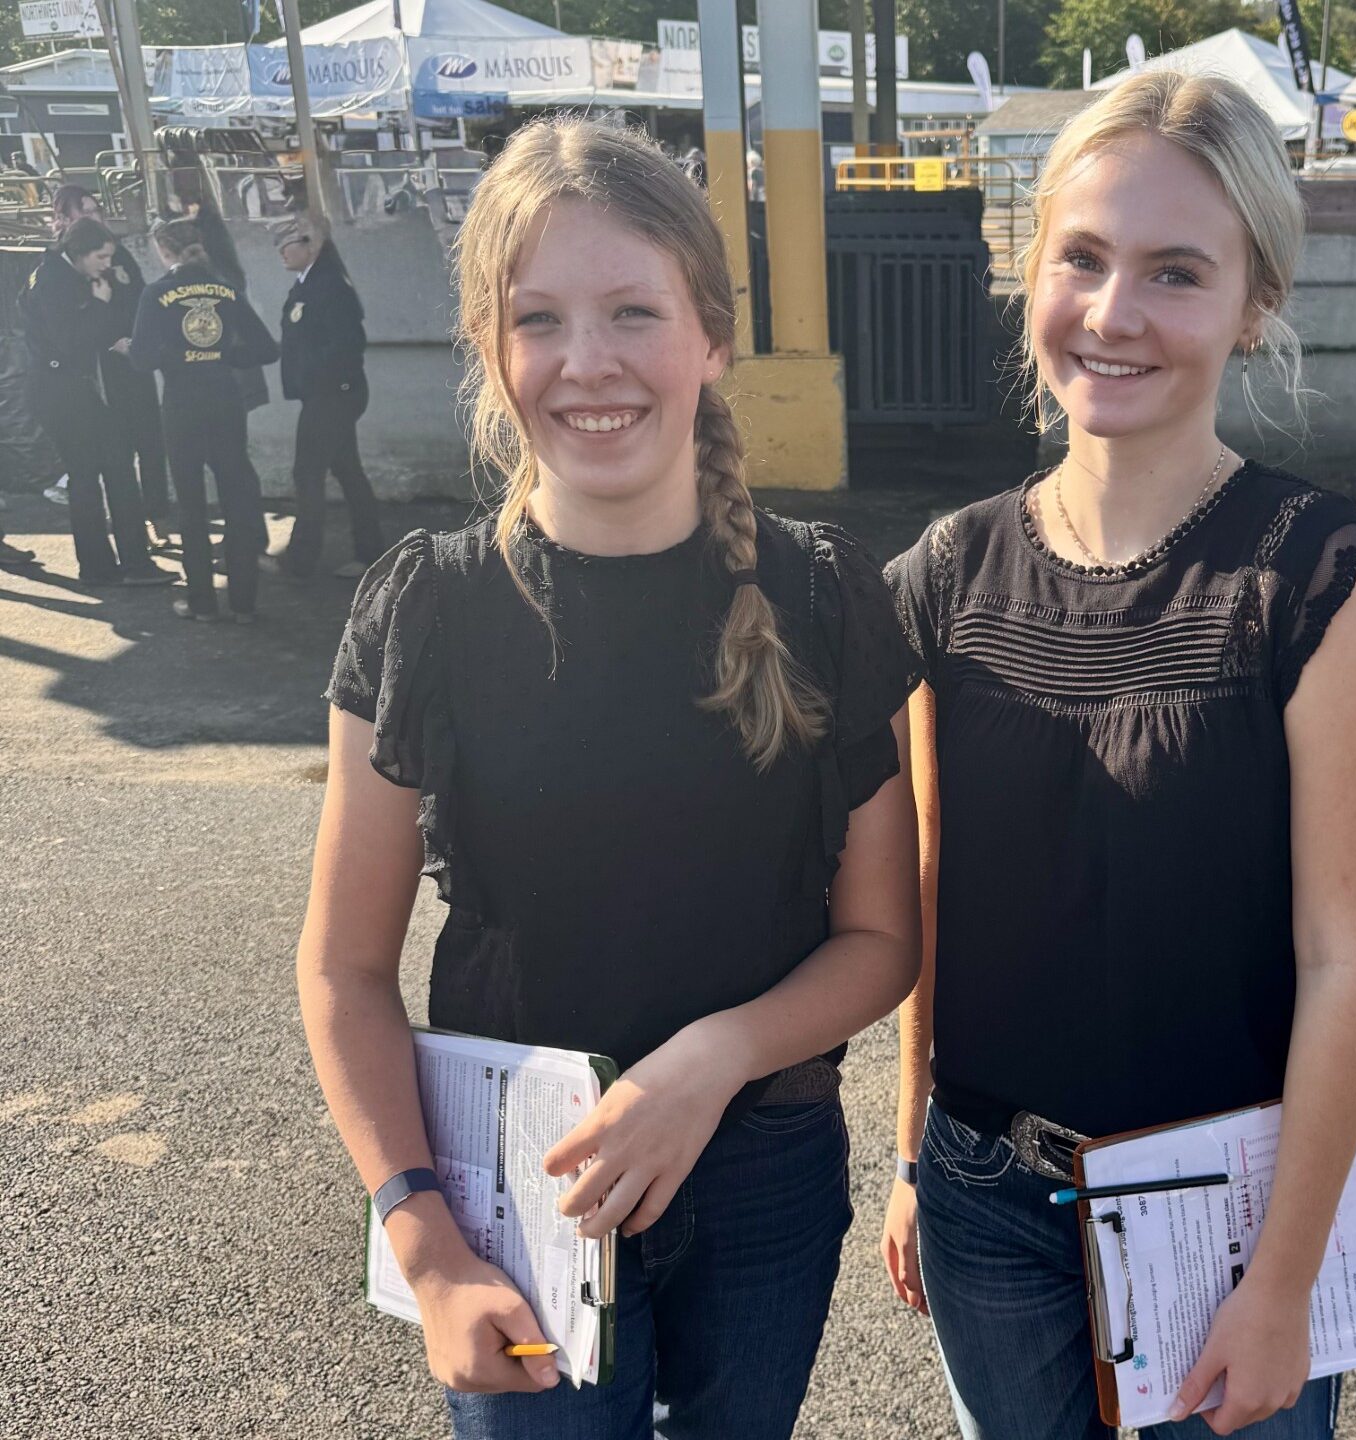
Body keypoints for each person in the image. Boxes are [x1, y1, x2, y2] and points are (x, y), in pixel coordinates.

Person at [296, 118, 922, 1439]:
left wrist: (713, 1058)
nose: (587, 364)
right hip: (522, 1186)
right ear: (490, 345)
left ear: (711, 337)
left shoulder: (819, 595)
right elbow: (346, 969)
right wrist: (421, 1235)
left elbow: (882, 939)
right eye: (539, 319)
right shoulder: (430, 608)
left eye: (632, 311)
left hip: (763, 1178)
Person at [881, 71, 1356, 1440]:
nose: (1114, 315)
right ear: (1031, 269)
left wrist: (1284, 1281)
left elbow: (1345, 956)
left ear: (1254, 305)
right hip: (987, 1197)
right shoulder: (949, 572)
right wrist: (908, 1160)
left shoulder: (1311, 577)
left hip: (1227, 1207)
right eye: (1085, 259)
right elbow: (935, 899)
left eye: (1175, 272)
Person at [129, 218, 279, 622]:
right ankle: (244, 603)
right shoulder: (226, 289)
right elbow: (266, 349)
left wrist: (168, 356)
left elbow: (142, 359)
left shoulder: (156, 293)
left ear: (164, 252)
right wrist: (227, 357)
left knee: (192, 507)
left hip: (182, 406)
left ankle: (201, 604)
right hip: (226, 402)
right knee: (237, 500)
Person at [20, 217, 174, 588]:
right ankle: (114, 565)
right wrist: (102, 307)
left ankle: (111, 565)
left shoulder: (58, 274)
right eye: (101, 256)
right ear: (79, 253)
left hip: (73, 389)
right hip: (64, 392)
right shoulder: (54, 282)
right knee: (92, 476)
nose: (108, 263)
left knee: (108, 472)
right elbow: (72, 341)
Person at [264, 211, 386, 581]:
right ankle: (371, 553)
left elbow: (348, 344)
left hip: (332, 394)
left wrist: (317, 377)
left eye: (286, 244)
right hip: (325, 394)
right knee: (347, 470)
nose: (280, 252)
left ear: (310, 244)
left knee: (308, 472)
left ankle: (301, 560)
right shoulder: (310, 282)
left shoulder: (328, 284)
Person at [52, 184, 170, 552]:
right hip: (96, 371)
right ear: (64, 219)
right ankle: (127, 524)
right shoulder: (60, 265)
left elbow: (140, 301)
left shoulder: (117, 257)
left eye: (95, 209)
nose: (93, 217)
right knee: (113, 454)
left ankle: (157, 517)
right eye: (83, 212)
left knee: (151, 442)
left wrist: (138, 342)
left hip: (131, 360)